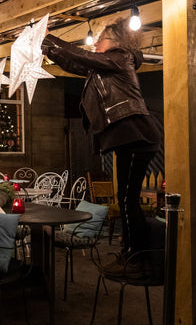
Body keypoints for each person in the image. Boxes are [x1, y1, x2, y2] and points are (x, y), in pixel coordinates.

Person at [42, 18, 161, 277]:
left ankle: (136, 258)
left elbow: (83, 57)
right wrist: (47, 45)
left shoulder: (121, 57)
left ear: (116, 43)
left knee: (128, 200)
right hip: (129, 137)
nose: (95, 42)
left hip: (137, 135)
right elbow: (75, 62)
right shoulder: (103, 68)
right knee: (126, 198)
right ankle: (130, 254)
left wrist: (50, 39)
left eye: (100, 39)